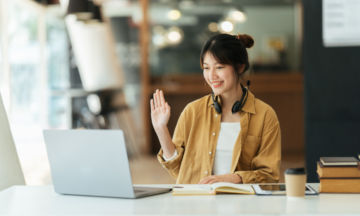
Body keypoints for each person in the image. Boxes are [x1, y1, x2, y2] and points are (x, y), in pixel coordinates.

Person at [150, 33, 281, 184]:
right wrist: (161, 129)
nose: (211, 75)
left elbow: (269, 176)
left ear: (239, 67)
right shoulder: (192, 111)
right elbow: (178, 169)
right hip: (197, 203)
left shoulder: (265, 115)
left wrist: (234, 178)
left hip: (242, 204)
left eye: (219, 67)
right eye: (206, 68)